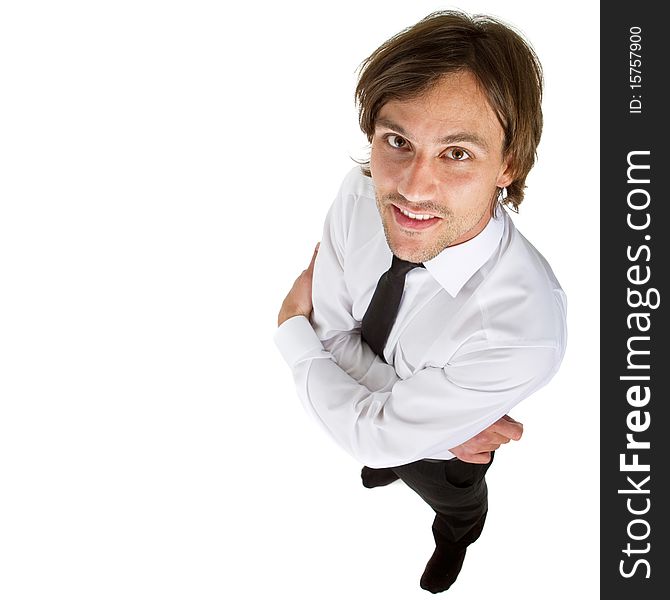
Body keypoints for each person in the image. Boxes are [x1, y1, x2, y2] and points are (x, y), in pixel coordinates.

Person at [274, 10, 567, 594]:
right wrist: (424, 428)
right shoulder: (359, 190)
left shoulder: (524, 331)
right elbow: (335, 339)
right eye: (397, 141)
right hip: (444, 435)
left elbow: (327, 345)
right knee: (388, 452)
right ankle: (395, 464)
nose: (411, 188)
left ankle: (457, 535)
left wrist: (290, 331)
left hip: (448, 459)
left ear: (509, 164)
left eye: (457, 153)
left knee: (455, 499)